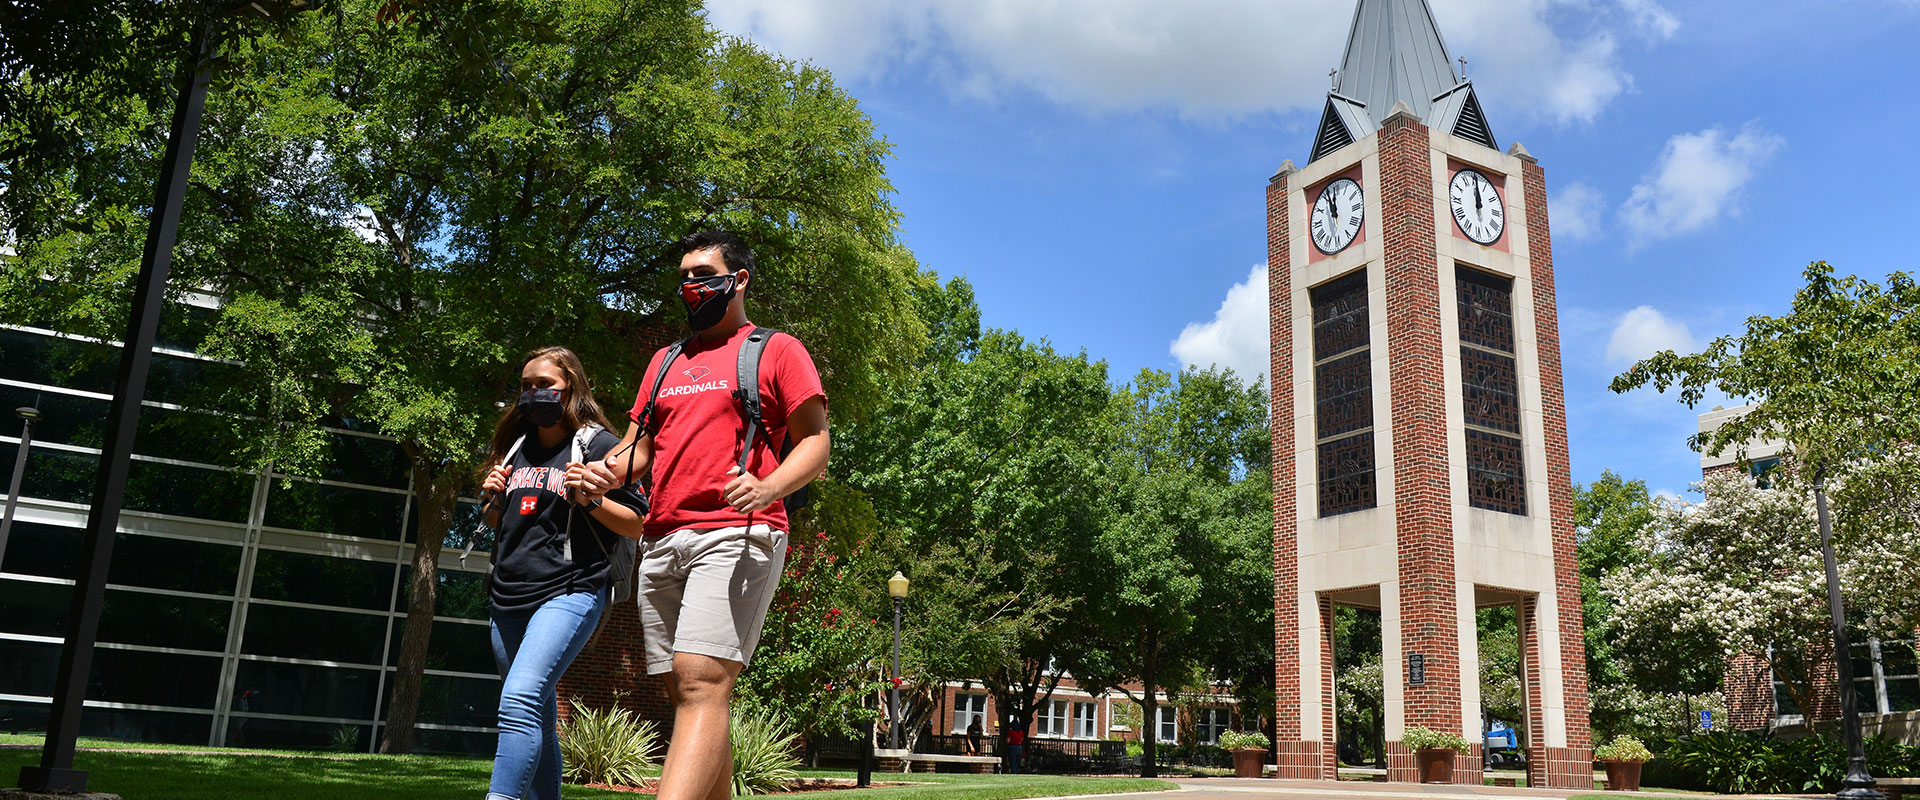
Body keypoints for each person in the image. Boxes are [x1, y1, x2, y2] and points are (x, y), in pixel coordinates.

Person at [577, 230, 829, 800]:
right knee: (689, 693)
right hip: (662, 539)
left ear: (738, 280)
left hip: (737, 534)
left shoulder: (776, 350)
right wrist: (604, 474)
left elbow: (815, 442)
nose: (690, 286)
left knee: (701, 680)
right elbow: (639, 449)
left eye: (703, 274)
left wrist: (768, 487)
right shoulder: (664, 361)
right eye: (684, 276)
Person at [480, 346, 647, 800]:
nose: (533, 394)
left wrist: (590, 498)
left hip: (570, 590)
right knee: (535, 714)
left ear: (570, 387)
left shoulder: (598, 447)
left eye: (545, 385)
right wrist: (493, 499)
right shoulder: (515, 446)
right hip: (507, 595)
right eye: (526, 386)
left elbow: (638, 523)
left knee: (518, 700)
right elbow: (506, 524)